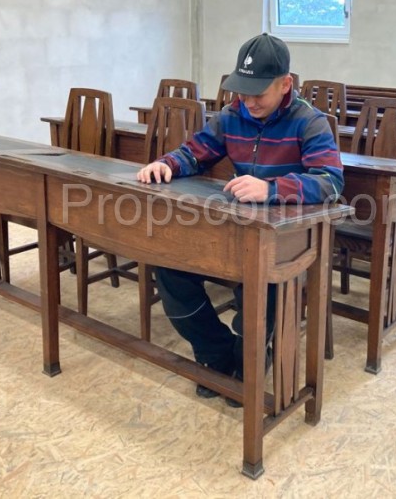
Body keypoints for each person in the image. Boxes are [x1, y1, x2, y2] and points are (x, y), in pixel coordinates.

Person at [136, 33, 343, 404]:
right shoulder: (233, 115)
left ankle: (247, 360)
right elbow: (195, 153)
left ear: (285, 84)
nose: (247, 101)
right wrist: (165, 164)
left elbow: (330, 181)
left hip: (286, 240)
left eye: (257, 93)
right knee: (168, 266)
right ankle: (217, 355)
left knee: (259, 288)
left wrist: (272, 189)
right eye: (242, 91)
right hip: (236, 228)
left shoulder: (310, 123)